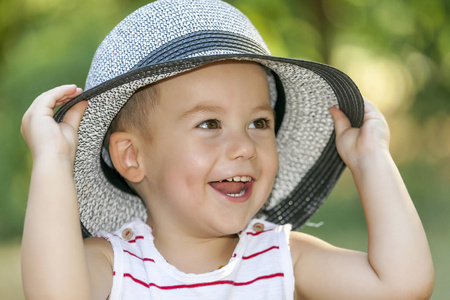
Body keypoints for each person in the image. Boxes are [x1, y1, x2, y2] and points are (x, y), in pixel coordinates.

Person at [20, 0, 434, 299]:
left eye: (259, 123)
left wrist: (371, 160)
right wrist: (53, 161)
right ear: (132, 156)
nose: (243, 148)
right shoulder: (116, 267)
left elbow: (401, 285)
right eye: (210, 124)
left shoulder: (281, 257)